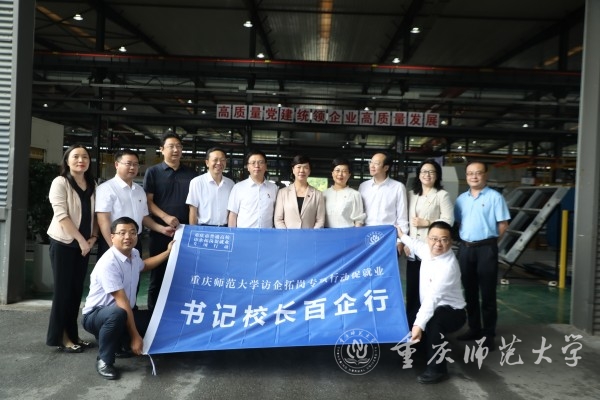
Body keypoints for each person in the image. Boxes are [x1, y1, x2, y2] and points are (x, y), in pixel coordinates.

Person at [82, 217, 174, 380]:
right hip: (96, 316)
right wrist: (135, 336)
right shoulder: (109, 263)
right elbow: (122, 302)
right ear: (112, 237)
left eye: (132, 232)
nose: (128, 237)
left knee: (155, 318)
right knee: (117, 314)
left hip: (123, 312)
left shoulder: (134, 254)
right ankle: (104, 360)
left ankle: (119, 341)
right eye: (122, 233)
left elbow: (145, 265)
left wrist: (167, 253)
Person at [397, 221, 466, 384]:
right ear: (428, 238)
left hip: (453, 312)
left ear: (451, 241)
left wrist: (418, 325)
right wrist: (400, 234)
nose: (438, 244)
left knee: (433, 321)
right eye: (434, 239)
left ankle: (438, 370)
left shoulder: (448, 267)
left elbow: (432, 298)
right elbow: (415, 244)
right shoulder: (427, 251)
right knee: (412, 316)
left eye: (444, 239)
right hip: (433, 306)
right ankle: (422, 352)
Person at [46, 144, 99, 353]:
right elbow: (61, 216)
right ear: (67, 161)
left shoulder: (92, 183)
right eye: (75, 156)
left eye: (85, 157)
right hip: (64, 244)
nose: (81, 160)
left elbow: (97, 214)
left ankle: (73, 334)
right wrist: (81, 240)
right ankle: (61, 337)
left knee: (76, 291)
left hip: (84, 246)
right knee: (63, 292)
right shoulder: (60, 182)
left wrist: (93, 237)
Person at [454, 161, 510, 350]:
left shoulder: (495, 197)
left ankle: (488, 333)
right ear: (466, 176)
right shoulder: (461, 199)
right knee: (469, 292)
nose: (474, 176)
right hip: (465, 249)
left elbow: (503, 224)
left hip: (486, 249)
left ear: (485, 174)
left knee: (487, 293)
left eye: (478, 173)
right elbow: (459, 223)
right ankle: (474, 328)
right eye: (470, 173)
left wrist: (491, 243)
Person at [143, 132, 196, 312]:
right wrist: (165, 217)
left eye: (178, 146)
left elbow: (194, 204)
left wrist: (192, 229)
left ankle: (178, 313)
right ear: (162, 149)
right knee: (158, 274)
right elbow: (148, 201)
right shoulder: (153, 172)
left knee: (183, 274)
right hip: (160, 231)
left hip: (184, 232)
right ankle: (153, 314)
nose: (175, 150)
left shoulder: (191, 174)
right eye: (171, 146)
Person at [95, 149, 175, 258]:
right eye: (128, 164)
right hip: (114, 242)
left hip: (135, 241)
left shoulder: (139, 190)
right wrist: (114, 248)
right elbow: (103, 221)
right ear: (117, 165)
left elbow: (143, 217)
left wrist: (162, 229)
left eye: (136, 164)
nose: (132, 167)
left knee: (135, 269)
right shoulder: (106, 189)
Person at [405, 159, 454, 327]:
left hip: (431, 251)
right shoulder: (411, 195)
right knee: (412, 290)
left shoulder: (441, 195)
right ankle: (411, 326)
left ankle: (430, 327)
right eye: (424, 171)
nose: (427, 174)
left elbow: (448, 220)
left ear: (437, 175)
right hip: (413, 251)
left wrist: (427, 222)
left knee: (430, 291)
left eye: (431, 172)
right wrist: (406, 242)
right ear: (419, 175)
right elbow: (406, 221)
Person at [358, 152, 409, 252]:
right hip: (366, 237)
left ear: (386, 168)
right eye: (371, 162)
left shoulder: (398, 187)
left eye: (376, 163)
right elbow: (359, 214)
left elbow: (402, 217)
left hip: (388, 238)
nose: (372, 166)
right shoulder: (363, 186)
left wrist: (400, 241)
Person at [227, 150, 279, 228]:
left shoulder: (273, 188)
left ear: (266, 166)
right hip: (244, 233)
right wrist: (233, 233)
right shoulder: (238, 188)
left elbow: (277, 214)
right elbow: (233, 214)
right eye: (253, 163)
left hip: (267, 233)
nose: (257, 166)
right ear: (248, 167)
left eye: (260, 162)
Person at [186, 147, 234, 226]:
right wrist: (193, 230)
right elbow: (193, 210)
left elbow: (232, 211)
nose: (219, 163)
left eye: (222, 160)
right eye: (215, 160)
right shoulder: (197, 182)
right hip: (204, 228)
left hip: (225, 228)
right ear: (207, 162)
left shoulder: (230, 184)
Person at [274, 155, 325, 229]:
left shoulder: (318, 195)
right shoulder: (282, 193)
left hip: (309, 235)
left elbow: (320, 221)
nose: (302, 170)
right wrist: (286, 234)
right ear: (293, 170)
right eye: (298, 167)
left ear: (309, 171)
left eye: (306, 167)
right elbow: (278, 219)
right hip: (287, 235)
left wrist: (312, 234)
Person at [322, 157, 366, 228]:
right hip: (327, 233)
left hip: (347, 233)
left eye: (344, 171)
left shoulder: (355, 194)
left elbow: (358, 221)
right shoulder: (324, 194)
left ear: (349, 175)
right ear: (332, 173)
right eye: (337, 170)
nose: (340, 174)